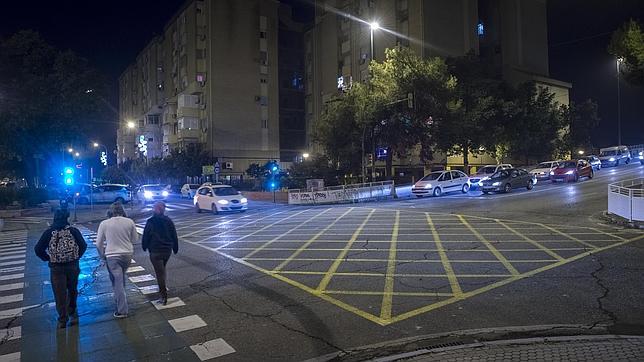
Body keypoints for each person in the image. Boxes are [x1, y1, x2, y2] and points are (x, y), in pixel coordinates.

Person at [35, 209, 87, 329]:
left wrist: (48, 258)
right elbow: (83, 245)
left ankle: (62, 319)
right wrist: (76, 257)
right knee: (72, 290)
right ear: (67, 218)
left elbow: (38, 249)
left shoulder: (49, 232)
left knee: (59, 293)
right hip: (72, 265)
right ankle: (72, 312)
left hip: (56, 267)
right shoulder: (73, 231)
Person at [96, 202, 138, 318]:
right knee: (120, 278)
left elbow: (98, 243)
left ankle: (122, 310)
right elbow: (135, 239)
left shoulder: (104, 223)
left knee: (117, 281)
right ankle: (119, 300)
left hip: (112, 255)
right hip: (127, 254)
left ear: (111, 211)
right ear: (122, 210)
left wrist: (102, 255)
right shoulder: (129, 222)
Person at [142, 202, 178, 305]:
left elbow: (146, 235)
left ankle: (163, 295)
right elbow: (174, 235)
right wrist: (175, 247)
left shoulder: (151, 221)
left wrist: (144, 246)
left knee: (160, 273)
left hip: (155, 250)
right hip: (167, 250)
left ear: (155, 209)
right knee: (162, 270)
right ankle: (162, 291)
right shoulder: (168, 221)